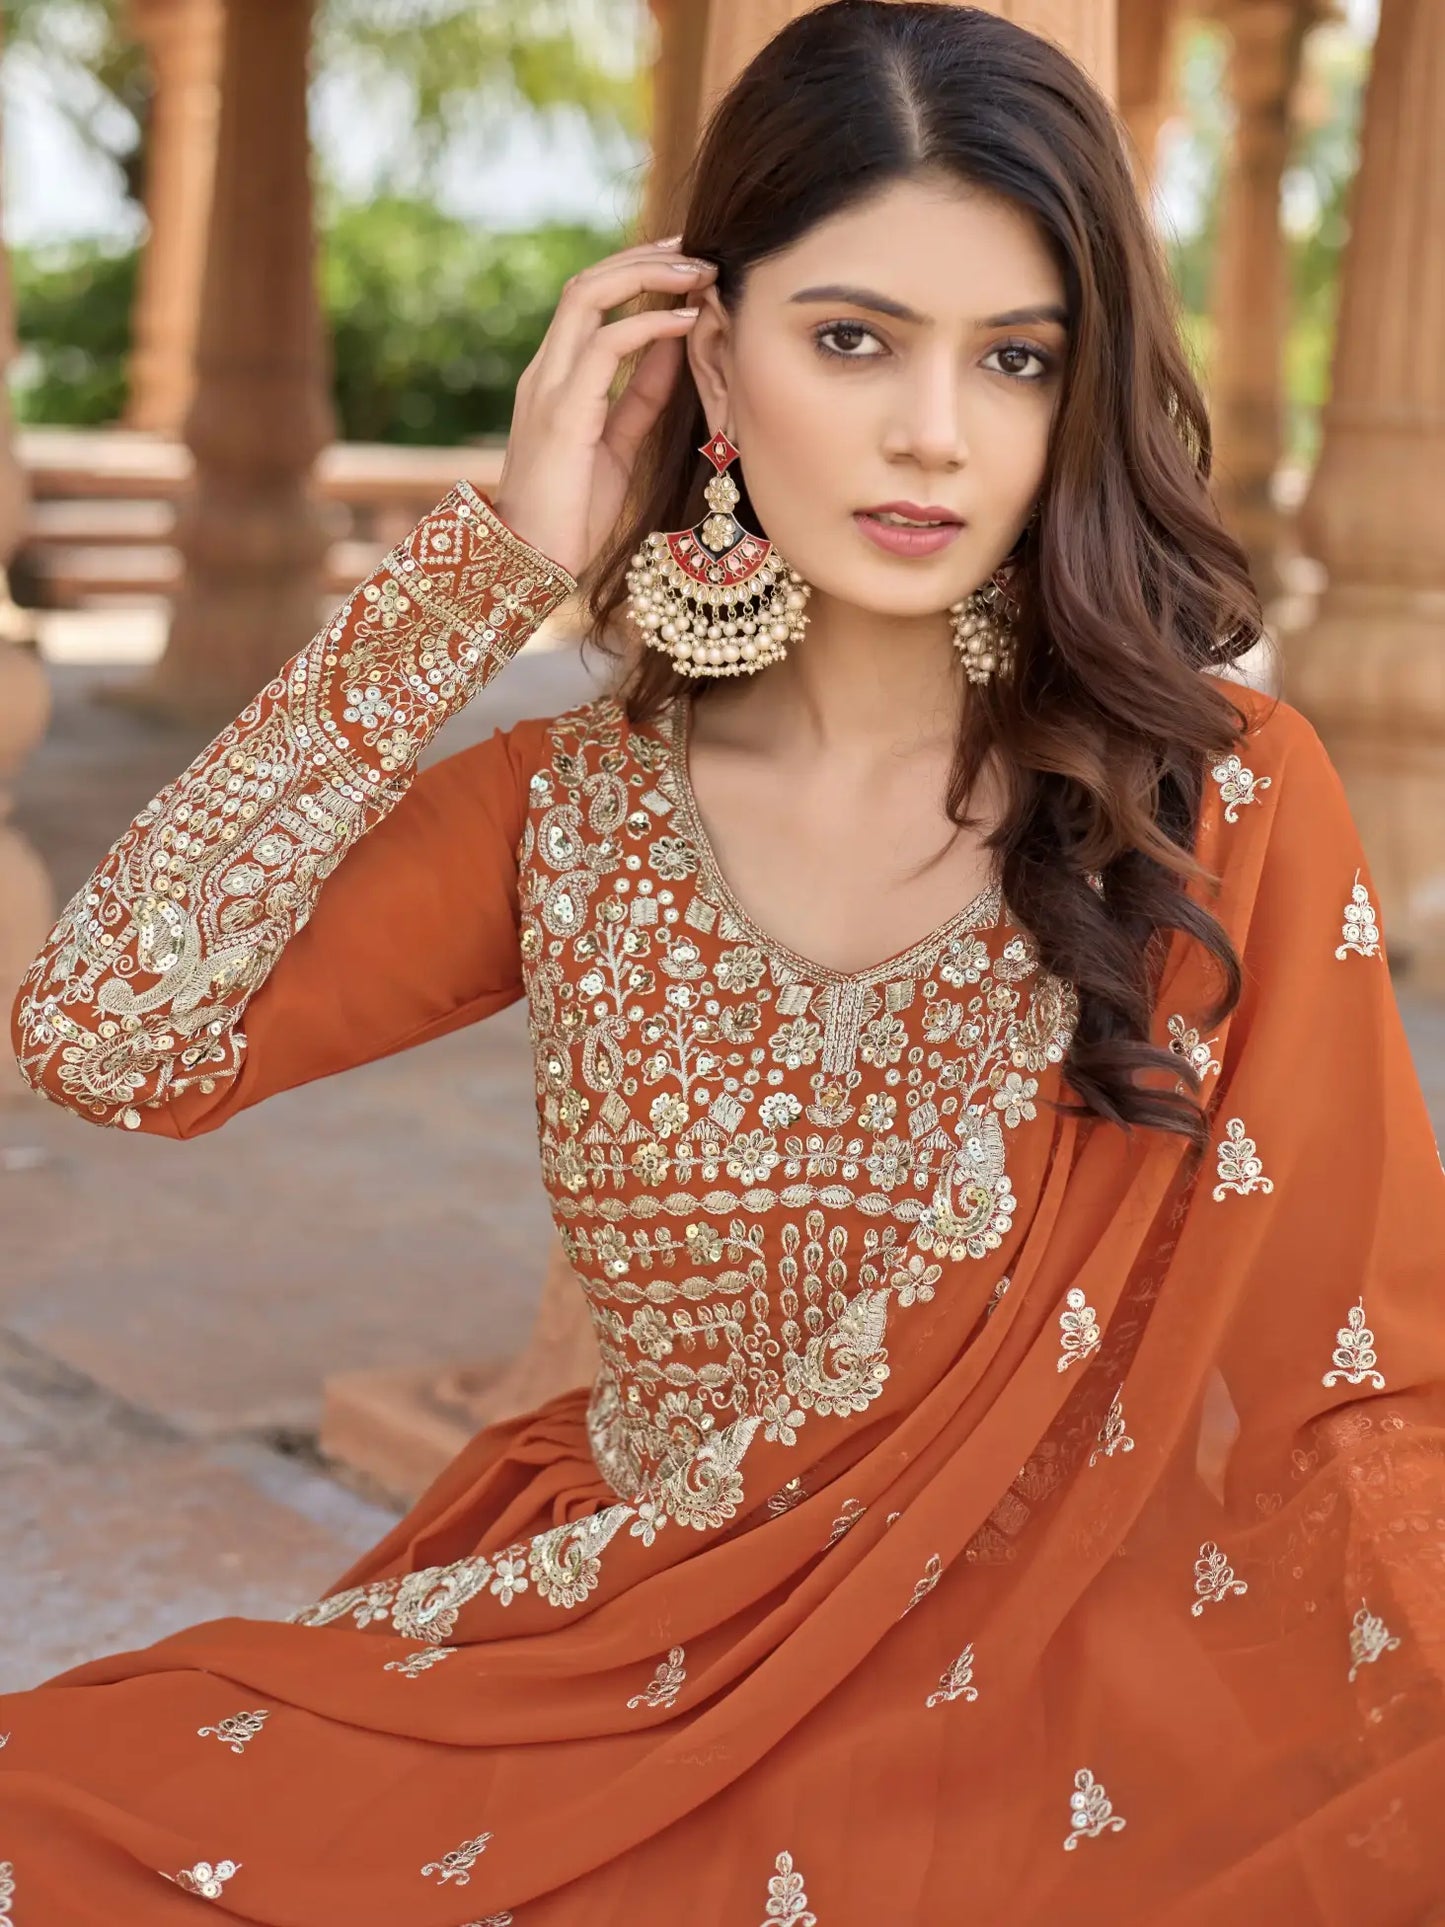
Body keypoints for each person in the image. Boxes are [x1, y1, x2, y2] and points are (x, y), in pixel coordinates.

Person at [3, 2, 1443, 1920]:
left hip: (1045, 1703)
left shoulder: (1211, 800)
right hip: (608, 1665)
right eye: (851, 340)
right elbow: (108, 1035)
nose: (933, 431)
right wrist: (482, 569)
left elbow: (1360, 1372)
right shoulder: (567, 811)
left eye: (1013, 358)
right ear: (711, 361)